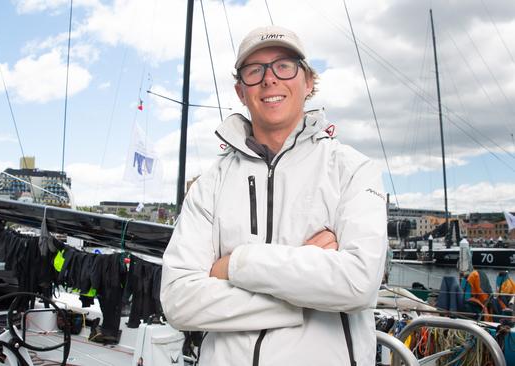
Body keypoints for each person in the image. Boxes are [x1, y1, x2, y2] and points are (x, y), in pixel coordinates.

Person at [161, 25, 387, 366]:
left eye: (284, 66)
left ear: (308, 81)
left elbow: (358, 283)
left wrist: (235, 265)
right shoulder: (211, 184)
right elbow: (179, 300)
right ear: (240, 90)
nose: (270, 79)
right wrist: (306, 286)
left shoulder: (352, 170)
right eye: (255, 71)